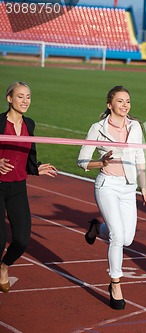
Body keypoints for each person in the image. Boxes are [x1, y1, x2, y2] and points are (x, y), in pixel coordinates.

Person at [77, 86, 146, 310]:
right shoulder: (97, 128)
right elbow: (82, 161)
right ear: (110, 105)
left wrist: (143, 187)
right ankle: (115, 284)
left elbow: (140, 156)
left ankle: (97, 229)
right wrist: (102, 163)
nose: (125, 105)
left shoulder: (135, 126)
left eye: (128, 101)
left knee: (127, 239)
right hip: (107, 185)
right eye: (120, 101)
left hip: (129, 187)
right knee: (117, 236)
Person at [0, 81, 58, 293]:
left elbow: (29, 152)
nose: (25, 101)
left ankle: (3, 267)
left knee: (22, 240)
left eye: (28, 97)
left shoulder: (29, 124)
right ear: (9, 99)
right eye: (20, 96)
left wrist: (36, 168)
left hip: (17, 188)